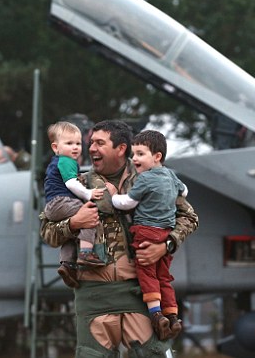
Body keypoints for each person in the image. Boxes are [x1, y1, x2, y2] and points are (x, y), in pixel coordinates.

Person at [40, 120, 199, 358]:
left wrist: (165, 245)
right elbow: (47, 231)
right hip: (94, 297)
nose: (91, 148)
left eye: (99, 143)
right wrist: (74, 223)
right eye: (91, 142)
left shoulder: (155, 179)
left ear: (121, 148)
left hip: (140, 294)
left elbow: (190, 217)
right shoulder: (78, 186)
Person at [104, 130, 188, 340]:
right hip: (166, 233)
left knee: (147, 273)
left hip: (145, 232)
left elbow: (127, 203)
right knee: (164, 277)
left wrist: (113, 195)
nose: (135, 159)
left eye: (140, 154)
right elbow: (184, 191)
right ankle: (173, 316)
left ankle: (156, 313)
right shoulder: (171, 176)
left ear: (157, 156)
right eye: (134, 154)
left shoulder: (145, 179)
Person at [43, 121, 105, 288]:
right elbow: (71, 183)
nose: (75, 147)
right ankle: (86, 253)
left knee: (71, 234)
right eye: (69, 143)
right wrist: (88, 194)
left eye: (78, 143)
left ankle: (67, 264)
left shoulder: (57, 162)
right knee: (90, 214)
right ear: (55, 147)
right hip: (62, 202)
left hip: (53, 205)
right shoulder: (66, 161)